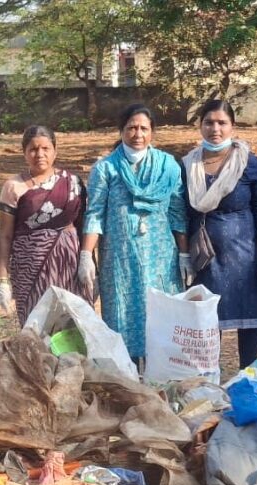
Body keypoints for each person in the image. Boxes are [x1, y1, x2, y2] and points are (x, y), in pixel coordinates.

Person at [80, 104, 187, 361]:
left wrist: (185, 254)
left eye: (144, 128)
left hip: (160, 258)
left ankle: (159, 381)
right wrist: (86, 254)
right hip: (120, 258)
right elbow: (95, 213)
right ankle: (129, 382)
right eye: (131, 128)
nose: (137, 134)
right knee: (122, 316)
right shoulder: (106, 168)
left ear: (152, 132)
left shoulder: (168, 166)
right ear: (122, 130)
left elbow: (177, 213)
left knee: (160, 317)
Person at [181, 100, 257, 368]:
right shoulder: (188, 165)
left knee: (250, 315)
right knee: (209, 316)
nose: (215, 128)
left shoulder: (248, 163)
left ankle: (247, 373)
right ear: (200, 126)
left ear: (232, 126)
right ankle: (210, 374)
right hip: (206, 254)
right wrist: (183, 254)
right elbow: (183, 213)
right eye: (209, 122)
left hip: (245, 253)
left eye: (222, 122)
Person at [0, 126, 92, 325]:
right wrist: (3, 280)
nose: (40, 154)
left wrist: (89, 264)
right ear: (24, 153)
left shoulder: (72, 182)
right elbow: (5, 235)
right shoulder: (13, 186)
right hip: (29, 267)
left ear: (55, 151)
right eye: (33, 149)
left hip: (69, 265)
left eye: (46, 148)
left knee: (73, 324)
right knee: (36, 324)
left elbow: (83, 227)